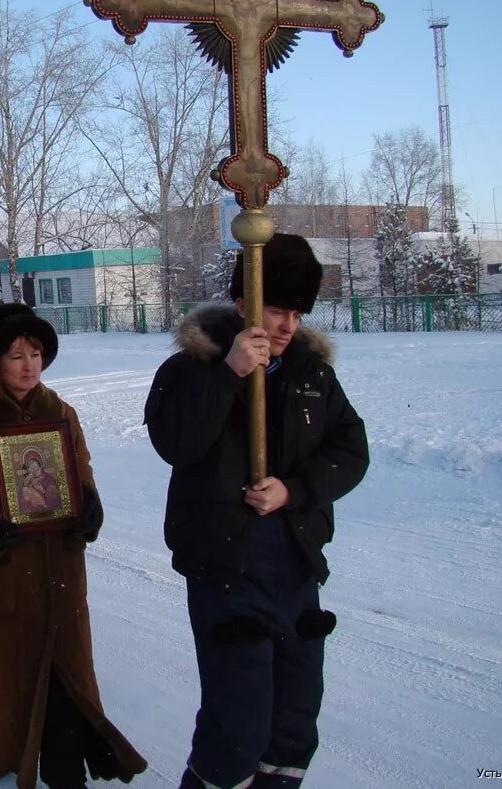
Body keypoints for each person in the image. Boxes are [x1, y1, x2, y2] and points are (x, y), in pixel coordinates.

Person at [143, 234, 369, 789]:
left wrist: (293, 490)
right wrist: (230, 375)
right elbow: (176, 442)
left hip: (294, 568)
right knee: (238, 730)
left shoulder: (312, 373)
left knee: (294, 726)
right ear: (244, 305)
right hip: (226, 572)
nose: (289, 324)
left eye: (297, 311)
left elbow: (351, 449)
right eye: (276, 308)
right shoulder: (191, 368)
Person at [0, 303, 146, 789]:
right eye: (15, 355)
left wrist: (89, 505)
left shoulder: (60, 412)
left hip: (58, 568)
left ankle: (65, 766)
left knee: (65, 673)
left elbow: (81, 471)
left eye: (35, 353)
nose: (28, 364)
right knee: (3, 677)